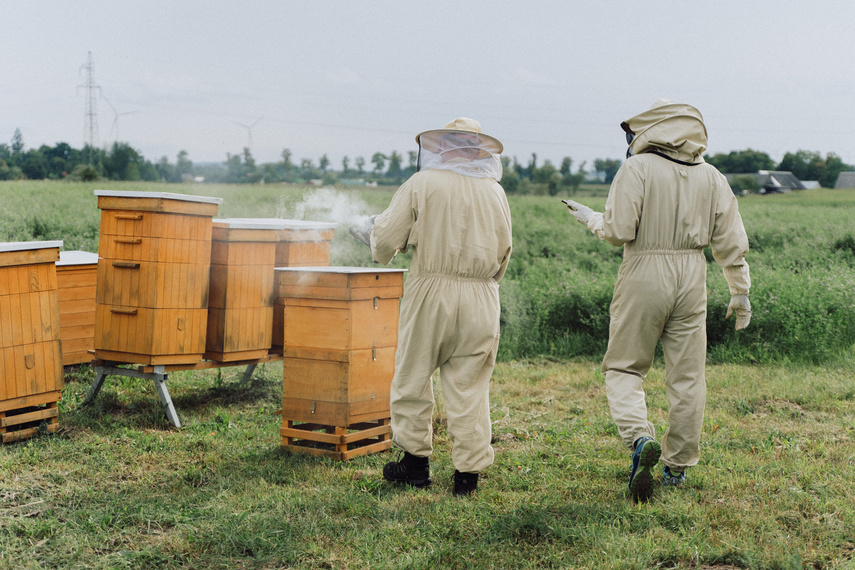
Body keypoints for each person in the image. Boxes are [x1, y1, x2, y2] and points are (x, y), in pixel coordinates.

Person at [563, 99, 751, 502]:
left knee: (625, 366)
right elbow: (731, 240)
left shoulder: (637, 168)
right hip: (692, 276)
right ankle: (677, 468)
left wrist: (591, 218)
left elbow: (617, 231)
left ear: (652, 131)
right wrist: (740, 291)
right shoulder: (713, 177)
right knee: (686, 376)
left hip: (645, 270)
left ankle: (639, 438)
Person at [350, 117, 512, 496]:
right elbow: (505, 251)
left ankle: (416, 464)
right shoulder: (495, 191)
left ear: (443, 147)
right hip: (483, 295)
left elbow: (387, 239)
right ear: (476, 149)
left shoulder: (422, 182)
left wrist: (372, 236)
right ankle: (467, 478)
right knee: (470, 384)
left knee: (412, 376)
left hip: (431, 291)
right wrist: (483, 284)